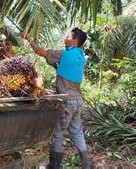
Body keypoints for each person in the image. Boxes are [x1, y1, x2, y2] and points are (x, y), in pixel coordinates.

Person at [20, 28, 91, 169]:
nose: (65, 38)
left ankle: (54, 165)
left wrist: (28, 37)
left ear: (75, 41)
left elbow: (40, 52)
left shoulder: (65, 54)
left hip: (67, 101)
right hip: (77, 101)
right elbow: (60, 66)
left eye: (68, 36)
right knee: (77, 132)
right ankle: (86, 165)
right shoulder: (81, 57)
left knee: (57, 133)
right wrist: (51, 61)